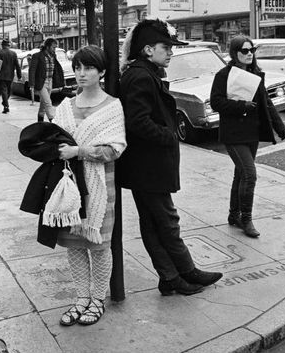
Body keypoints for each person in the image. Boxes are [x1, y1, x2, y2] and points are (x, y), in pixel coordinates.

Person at [117, 18, 223, 296]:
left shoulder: (143, 72)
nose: (171, 53)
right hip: (148, 166)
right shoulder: (141, 75)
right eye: (167, 47)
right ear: (148, 49)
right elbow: (137, 121)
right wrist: (168, 135)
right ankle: (185, 271)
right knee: (166, 221)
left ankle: (170, 277)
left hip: (145, 166)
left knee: (154, 223)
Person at [53, 45, 126, 326]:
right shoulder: (66, 106)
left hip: (100, 186)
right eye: (78, 68)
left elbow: (113, 150)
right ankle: (81, 298)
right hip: (69, 186)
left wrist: (78, 151)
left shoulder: (112, 107)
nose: (82, 74)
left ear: (102, 72)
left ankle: (97, 300)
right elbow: (53, 142)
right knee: (74, 245)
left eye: (89, 68)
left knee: (98, 245)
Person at [210, 35, 285, 238]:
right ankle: (246, 218)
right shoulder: (223, 75)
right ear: (235, 53)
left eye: (251, 50)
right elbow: (216, 102)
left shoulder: (256, 74)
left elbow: (266, 103)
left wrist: (279, 125)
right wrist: (240, 106)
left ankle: (233, 214)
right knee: (250, 174)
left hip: (251, 132)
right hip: (233, 134)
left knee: (241, 175)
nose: (249, 54)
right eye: (244, 51)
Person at [28, 38, 65, 122]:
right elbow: (32, 70)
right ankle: (53, 121)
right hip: (41, 83)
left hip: (50, 81)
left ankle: (40, 120)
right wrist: (32, 84)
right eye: (53, 47)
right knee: (48, 103)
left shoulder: (53, 56)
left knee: (43, 103)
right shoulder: (37, 56)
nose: (54, 49)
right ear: (47, 47)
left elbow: (56, 69)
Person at [0, 39, 21, 114]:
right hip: (10, 75)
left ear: (2, 45)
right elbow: (17, 65)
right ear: (8, 45)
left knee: (4, 90)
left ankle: (5, 104)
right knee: (8, 90)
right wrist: (19, 75)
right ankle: (6, 104)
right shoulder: (13, 53)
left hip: (1, 75)